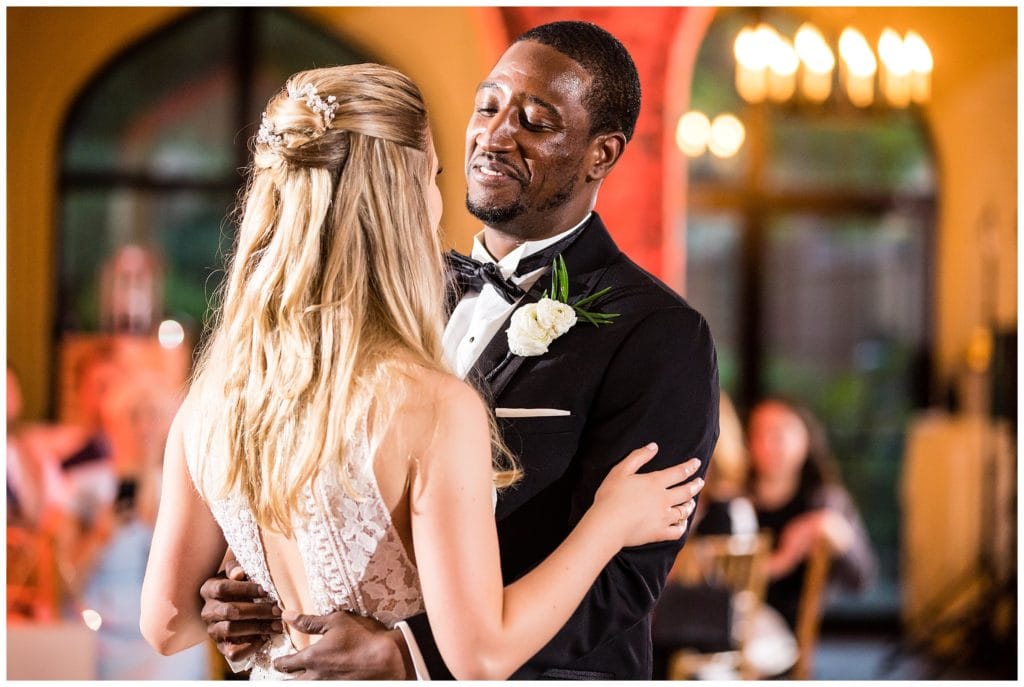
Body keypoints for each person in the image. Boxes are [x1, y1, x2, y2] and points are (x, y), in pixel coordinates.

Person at [139, 61, 710, 681]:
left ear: (603, 153)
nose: (492, 136)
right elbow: (482, 650)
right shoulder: (429, 385)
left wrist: (404, 651)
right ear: (403, 194)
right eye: (485, 106)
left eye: (535, 120)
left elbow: (165, 623)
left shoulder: (217, 390)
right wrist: (610, 521)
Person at [651, 391, 757, 677]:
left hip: (693, 637)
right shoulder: (733, 507)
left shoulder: (725, 513)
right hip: (701, 631)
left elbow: (677, 576)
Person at [747, 397, 876, 630]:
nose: (766, 444)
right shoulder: (734, 500)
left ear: (804, 439)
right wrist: (781, 561)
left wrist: (831, 528)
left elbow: (861, 578)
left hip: (781, 635)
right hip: (729, 620)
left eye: (778, 434)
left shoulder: (823, 501)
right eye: (758, 433)